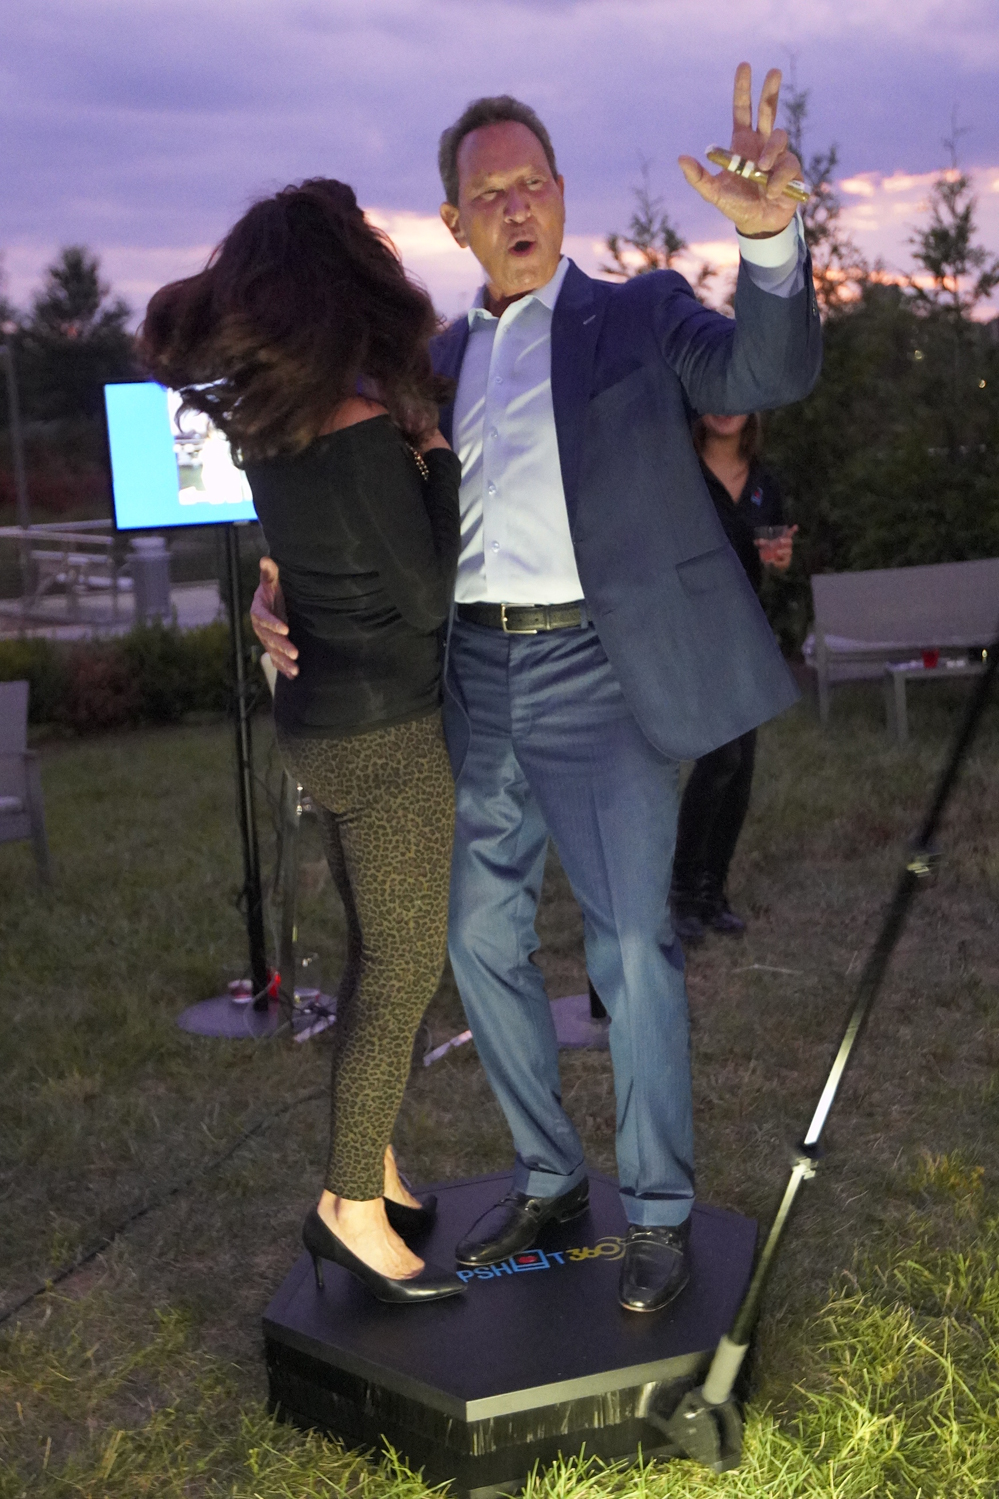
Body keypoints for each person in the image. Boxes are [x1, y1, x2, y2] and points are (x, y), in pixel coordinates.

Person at [253, 65, 822, 1313]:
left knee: (628, 943)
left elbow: (762, 374)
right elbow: (352, 506)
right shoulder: (426, 364)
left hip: (599, 670)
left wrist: (770, 243)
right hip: (468, 674)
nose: (516, 204)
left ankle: (658, 1207)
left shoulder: (639, 315)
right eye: (489, 192)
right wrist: (276, 586)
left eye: (533, 182)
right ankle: (551, 1172)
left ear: (561, 195)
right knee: (473, 934)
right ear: (452, 223)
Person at [141, 179, 465, 1306]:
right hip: (390, 731)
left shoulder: (268, 430)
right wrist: (438, 459)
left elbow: (304, 565)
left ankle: (372, 1163)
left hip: (317, 723)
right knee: (403, 968)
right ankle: (349, 1206)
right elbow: (428, 597)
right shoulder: (366, 430)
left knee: (377, 952)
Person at [671, 411, 797, 942]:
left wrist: (779, 558)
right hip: (694, 630)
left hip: (746, 634)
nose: (725, 407)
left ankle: (711, 893)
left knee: (740, 768)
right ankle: (682, 893)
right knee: (721, 757)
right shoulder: (677, 473)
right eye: (714, 394)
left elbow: (773, 553)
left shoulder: (765, 482)